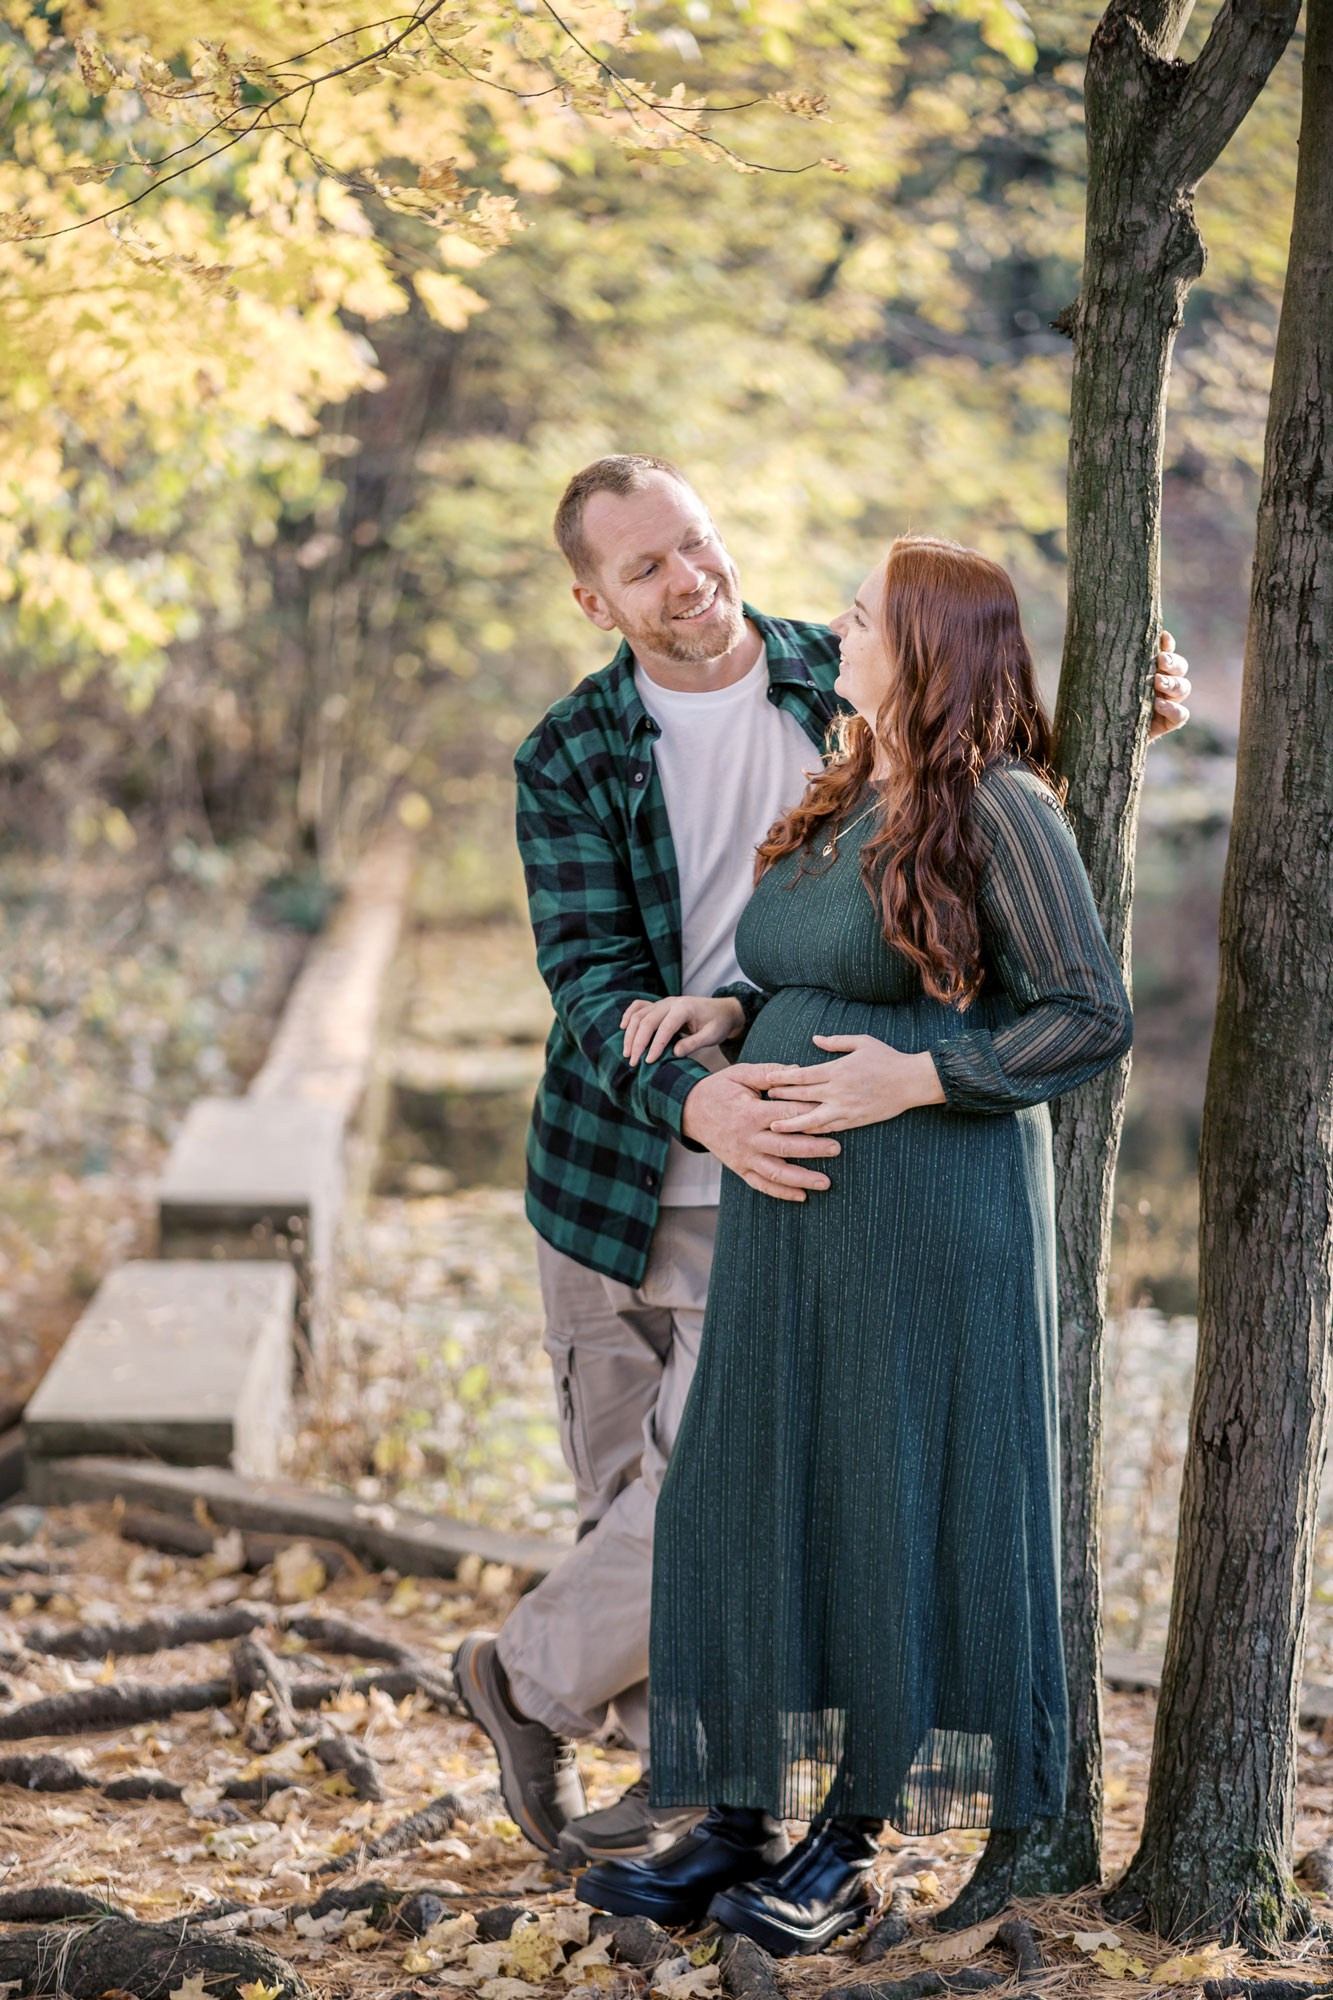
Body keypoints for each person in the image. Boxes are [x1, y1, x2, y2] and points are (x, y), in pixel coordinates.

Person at [451, 457, 1190, 1866]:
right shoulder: (570, 755)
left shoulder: (826, 677)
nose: (690, 579)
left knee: (722, 1490)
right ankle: (677, 1792)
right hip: (613, 1172)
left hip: (794, 1178)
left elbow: (975, 760)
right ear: (594, 602)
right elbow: (592, 977)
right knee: (624, 1501)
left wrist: (1121, 716)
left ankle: (521, 1682)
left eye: (696, 542)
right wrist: (700, 1096)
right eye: (646, 568)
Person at [572, 535, 1133, 1953]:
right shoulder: (848, 784)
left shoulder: (1000, 806)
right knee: (748, 1490)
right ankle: (736, 1818)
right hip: (790, 1228)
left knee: (888, 1503)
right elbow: (810, 962)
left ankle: (852, 1840)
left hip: (924, 1220)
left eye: (864, 616)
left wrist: (921, 1077)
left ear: (928, 649)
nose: (837, 628)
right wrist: (728, 1013)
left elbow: (1086, 1014)